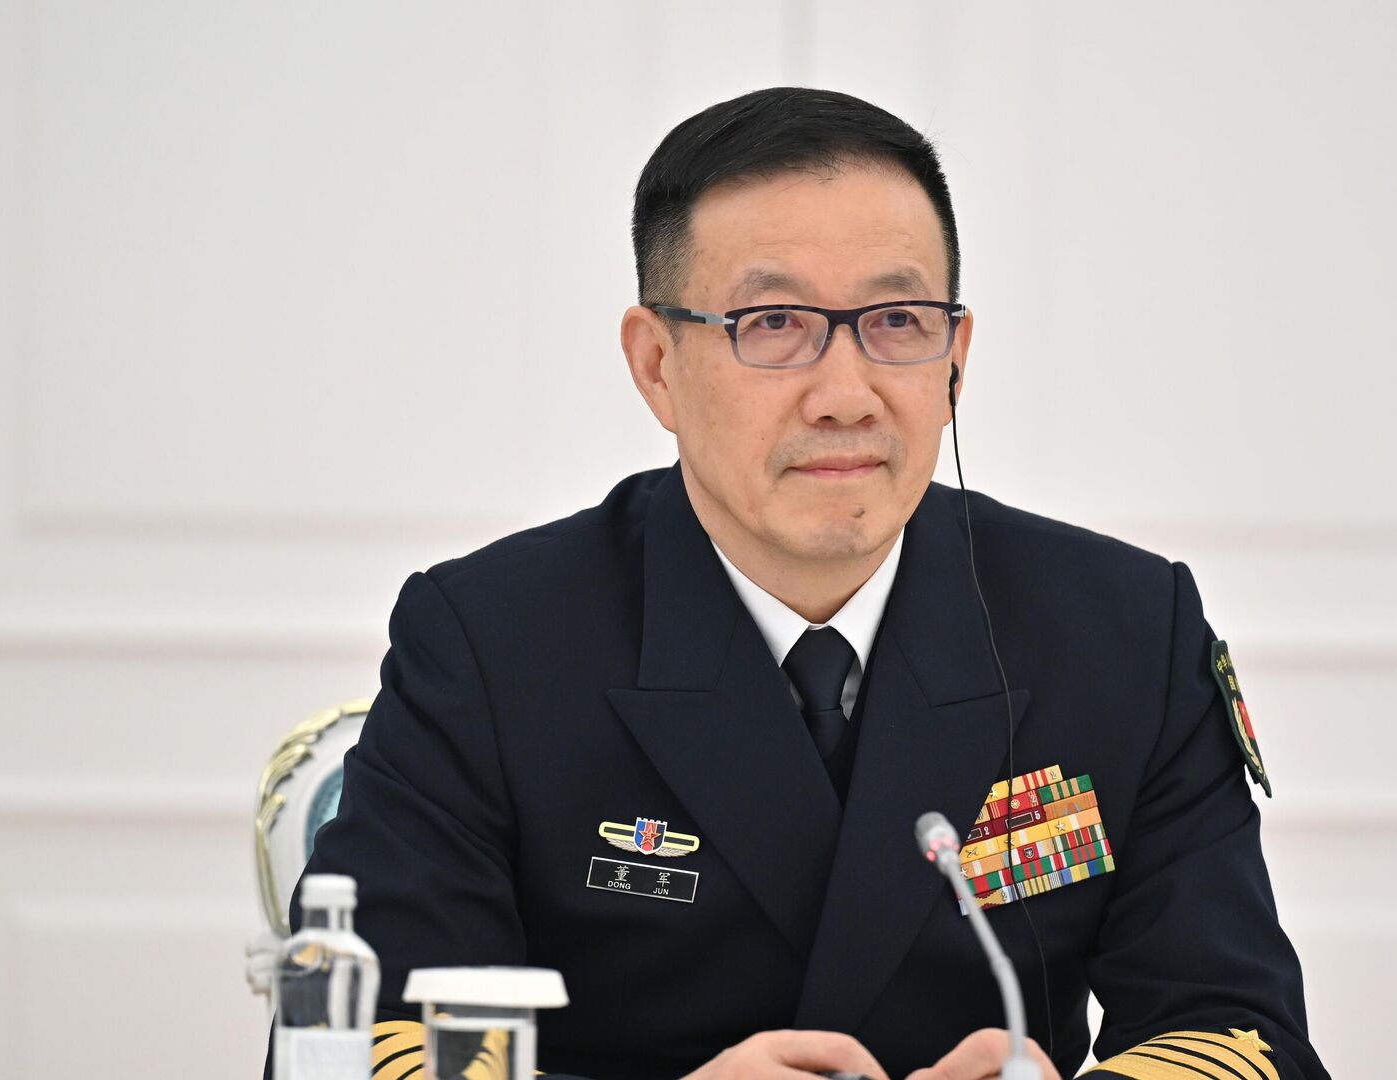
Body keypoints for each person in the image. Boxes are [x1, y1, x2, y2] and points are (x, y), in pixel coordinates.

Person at [280, 87, 1328, 1080]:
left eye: (898, 321)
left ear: (955, 359)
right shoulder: (491, 642)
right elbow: (350, 1042)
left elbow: (1234, 1029)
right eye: (773, 323)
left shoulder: (1126, 632)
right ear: (656, 366)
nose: (845, 394)